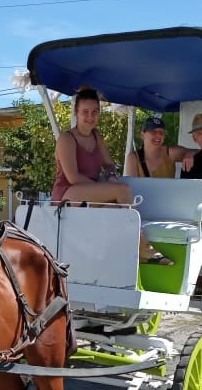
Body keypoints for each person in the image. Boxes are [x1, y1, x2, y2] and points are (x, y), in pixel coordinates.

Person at [50, 86, 168, 264]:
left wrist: (111, 175)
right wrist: (108, 188)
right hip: (67, 194)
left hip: (88, 192)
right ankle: (144, 248)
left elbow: (108, 164)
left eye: (95, 112)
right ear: (76, 113)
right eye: (85, 112)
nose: (90, 117)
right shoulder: (66, 139)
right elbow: (73, 177)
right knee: (122, 191)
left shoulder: (97, 136)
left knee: (116, 210)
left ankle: (117, 260)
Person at [123, 116, 198, 179]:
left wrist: (190, 154)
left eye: (161, 133)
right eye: (153, 132)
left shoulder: (170, 153)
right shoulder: (134, 158)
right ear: (143, 135)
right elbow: (132, 188)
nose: (158, 136)